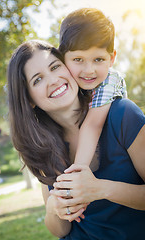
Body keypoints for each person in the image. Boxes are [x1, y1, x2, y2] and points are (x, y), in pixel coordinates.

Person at [7, 39, 145, 240]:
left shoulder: (122, 114)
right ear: (28, 99)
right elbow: (60, 230)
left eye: (55, 67)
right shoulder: (42, 145)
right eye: (38, 79)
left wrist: (102, 189)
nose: (53, 80)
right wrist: (54, 209)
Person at [59, 8, 127, 170]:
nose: (89, 70)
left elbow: (93, 125)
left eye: (98, 59)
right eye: (78, 59)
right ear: (63, 58)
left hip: (119, 153)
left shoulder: (110, 80)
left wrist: (78, 170)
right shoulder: (68, 84)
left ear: (111, 58)